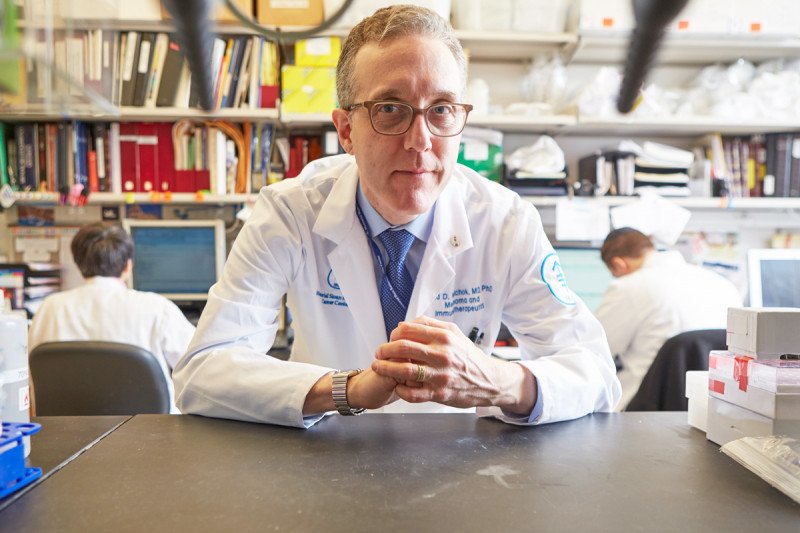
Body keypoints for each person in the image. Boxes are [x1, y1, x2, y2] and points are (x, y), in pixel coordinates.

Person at [173, 5, 620, 427]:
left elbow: (597, 375)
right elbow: (202, 373)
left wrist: (495, 380)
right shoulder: (290, 211)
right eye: (391, 109)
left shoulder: (505, 221)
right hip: (326, 463)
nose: (420, 141)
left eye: (441, 109)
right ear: (346, 130)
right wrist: (345, 390)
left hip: (462, 470)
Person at [28, 221, 195, 413]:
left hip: (66, 437)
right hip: (151, 435)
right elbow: (200, 366)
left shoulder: (48, 309)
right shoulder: (157, 308)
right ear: (128, 266)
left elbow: (32, 379)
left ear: (79, 264)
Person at [594, 227, 742, 410]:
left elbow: (594, 348)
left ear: (618, 264)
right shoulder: (722, 285)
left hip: (648, 410)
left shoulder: (628, 287)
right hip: (720, 410)